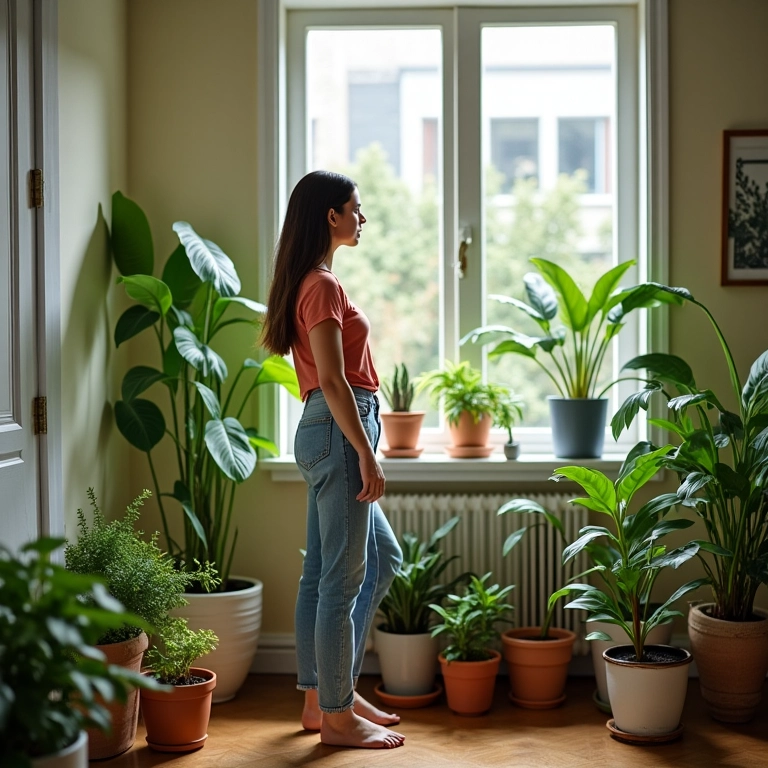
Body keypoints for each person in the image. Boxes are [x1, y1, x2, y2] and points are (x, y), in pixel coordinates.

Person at [261, 171, 405, 750]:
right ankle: (337, 718)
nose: (361, 218)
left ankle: (323, 696)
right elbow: (333, 379)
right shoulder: (320, 285)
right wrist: (367, 453)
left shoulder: (312, 281)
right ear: (331, 215)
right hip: (340, 429)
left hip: (327, 429)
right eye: (355, 208)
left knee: (362, 563)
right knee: (340, 581)